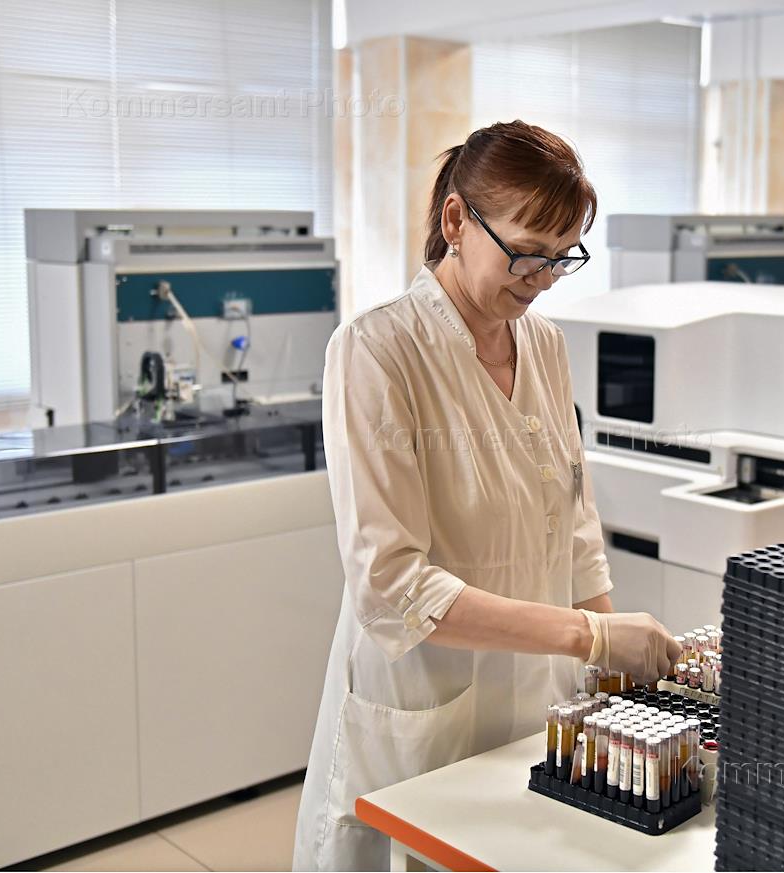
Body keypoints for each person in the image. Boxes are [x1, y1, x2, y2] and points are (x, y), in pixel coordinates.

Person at [293, 120, 681, 871]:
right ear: (455, 221)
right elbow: (392, 588)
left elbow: (574, 523)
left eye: (562, 257)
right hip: (425, 711)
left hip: (538, 704)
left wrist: (613, 666)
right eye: (526, 252)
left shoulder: (545, 345)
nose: (542, 278)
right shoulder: (377, 351)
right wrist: (589, 637)